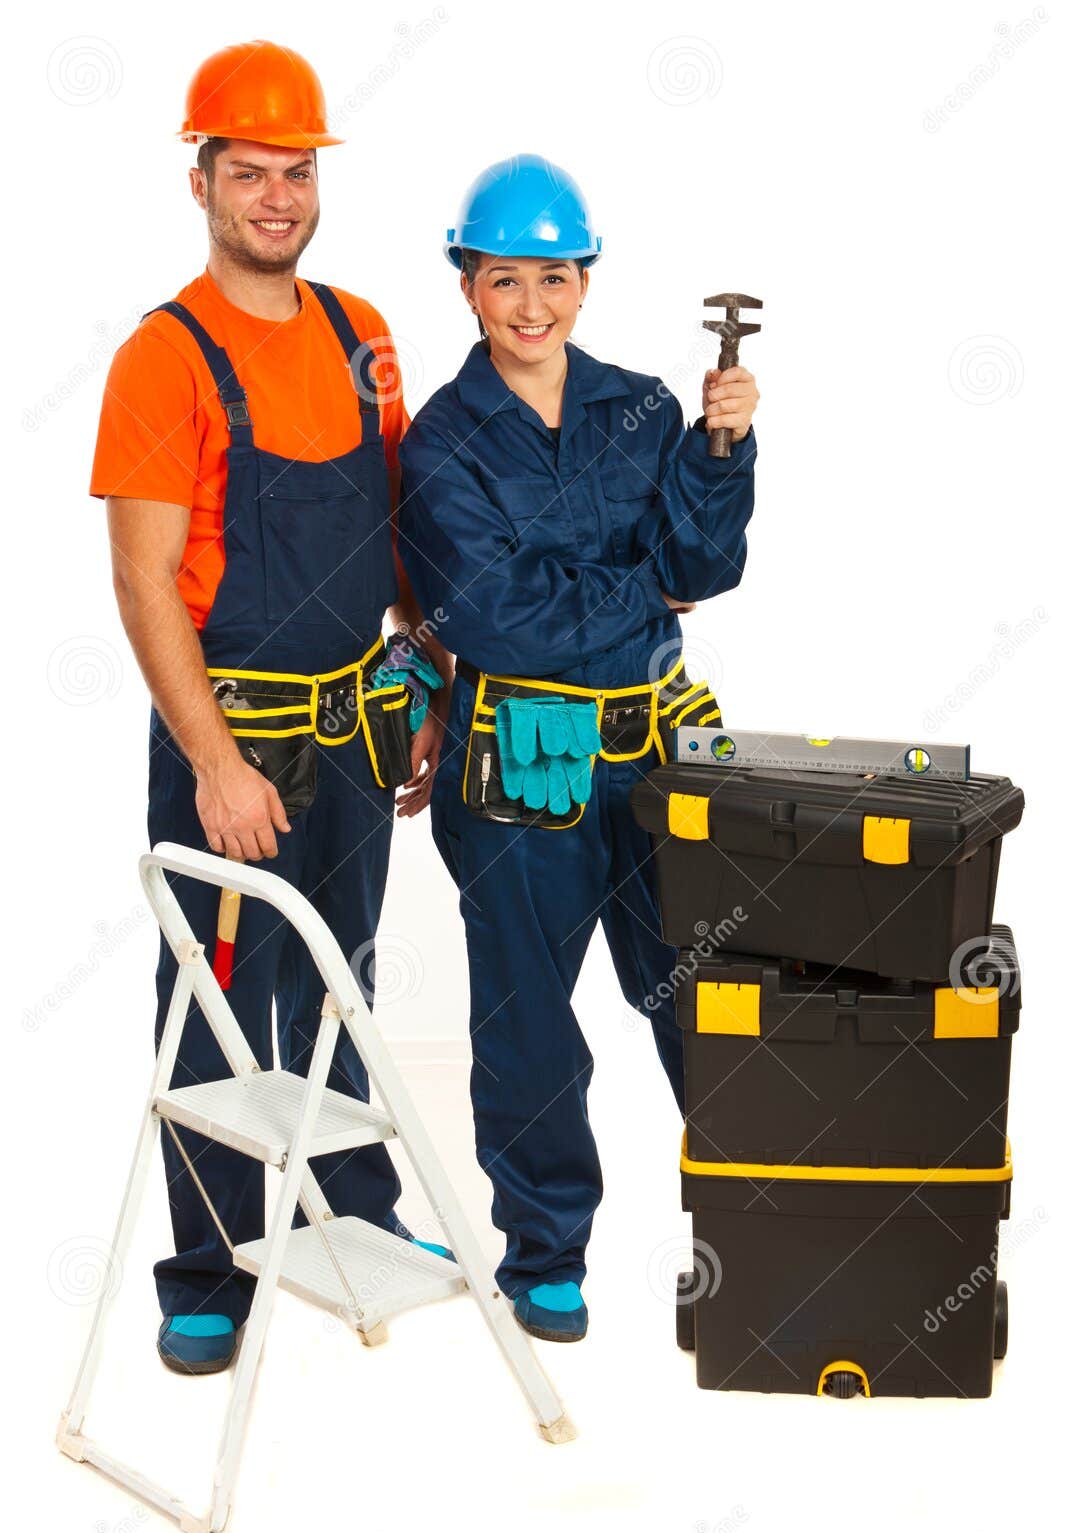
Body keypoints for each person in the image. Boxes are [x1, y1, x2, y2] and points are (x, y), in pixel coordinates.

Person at [91, 41, 451, 1375]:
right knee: (215, 996)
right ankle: (203, 1268)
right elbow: (140, 584)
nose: (278, 196)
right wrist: (213, 761)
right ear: (202, 180)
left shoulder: (363, 335)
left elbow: (400, 523)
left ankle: (349, 1211)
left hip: (355, 716)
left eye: (295, 170)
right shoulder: (164, 354)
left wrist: (416, 670)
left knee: (341, 979)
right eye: (249, 170)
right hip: (231, 725)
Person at [397, 154, 759, 1342]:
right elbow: (494, 615)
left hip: (655, 750)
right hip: (524, 753)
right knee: (531, 1021)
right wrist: (643, 596)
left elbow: (703, 570)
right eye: (506, 279)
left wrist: (717, 455)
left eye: (555, 277)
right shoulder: (443, 441)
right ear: (467, 284)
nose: (533, 305)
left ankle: (762, 1228)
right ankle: (546, 1251)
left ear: (587, 279)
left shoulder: (648, 407)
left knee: (704, 993)